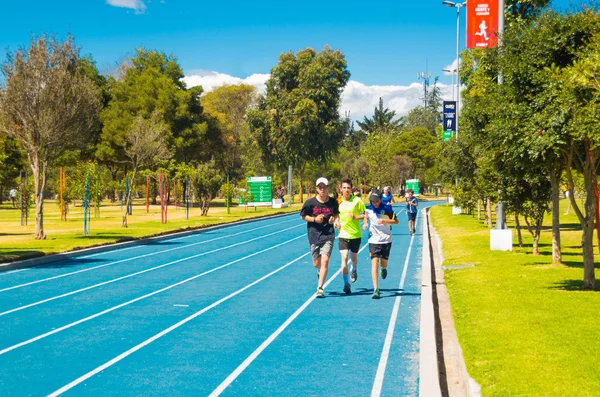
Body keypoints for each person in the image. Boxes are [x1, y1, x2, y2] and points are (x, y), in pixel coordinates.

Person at [301, 177, 339, 298]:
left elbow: (336, 214)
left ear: (328, 188)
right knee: (316, 263)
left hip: (328, 235)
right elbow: (303, 216)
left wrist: (335, 220)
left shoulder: (333, 202)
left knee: (325, 261)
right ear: (317, 189)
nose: (322, 189)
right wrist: (314, 219)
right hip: (314, 235)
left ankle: (320, 288)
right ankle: (319, 271)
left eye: (324, 187)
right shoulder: (310, 203)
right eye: (320, 187)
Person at [364, 189, 398, 299]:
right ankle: (376, 289)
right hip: (373, 240)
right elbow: (366, 215)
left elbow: (396, 221)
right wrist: (365, 223)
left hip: (386, 239)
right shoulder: (368, 208)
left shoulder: (387, 208)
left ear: (380, 200)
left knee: (384, 263)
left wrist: (385, 221)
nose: (374, 203)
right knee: (374, 263)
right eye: (372, 201)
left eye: (376, 201)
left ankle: (384, 269)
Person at [334, 178, 366, 294]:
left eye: (348, 188)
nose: (346, 190)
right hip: (343, 234)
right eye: (344, 188)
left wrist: (356, 217)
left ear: (351, 189)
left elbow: (366, 214)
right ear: (341, 189)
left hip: (355, 234)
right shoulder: (337, 202)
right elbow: (336, 215)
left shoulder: (357, 201)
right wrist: (336, 222)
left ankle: (354, 268)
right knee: (344, 258)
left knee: (353, 258)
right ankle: (346, 283)